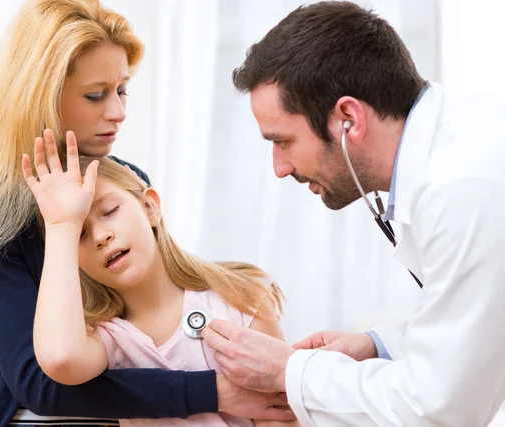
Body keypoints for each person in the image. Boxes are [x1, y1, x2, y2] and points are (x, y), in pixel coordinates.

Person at [0, 0, 292, 426]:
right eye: (96, 95)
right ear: (41, 96)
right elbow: (41, 385)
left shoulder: (125, 180)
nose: (118, 112)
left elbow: (151, 321)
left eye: (122, 90)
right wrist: (214, 392)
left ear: (148, 204)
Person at [202, 1, 505, 426]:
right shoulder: (459, 148)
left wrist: (289, 372)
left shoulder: (464, 190)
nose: (279, 167)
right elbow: (481, 325)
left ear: (348, 119)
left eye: (283, 141)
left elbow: (440, 410)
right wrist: (377, 344)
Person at [21, 130, 299, 427]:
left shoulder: (239, 298)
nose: (101, 236)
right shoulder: (108, 339)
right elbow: (61, 358)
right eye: (80, 235)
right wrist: (61, 225)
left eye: (110, 211)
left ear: (150, 207)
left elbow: (280, 416)